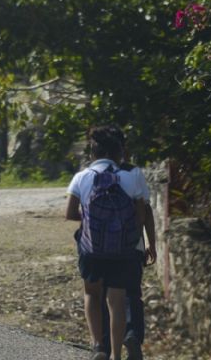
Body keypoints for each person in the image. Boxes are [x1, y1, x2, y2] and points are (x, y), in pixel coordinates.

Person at [66, 125, 148, 360]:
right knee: (117, 299)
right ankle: (116, 354)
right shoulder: (131, 177)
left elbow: (69, 213)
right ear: (119, 153)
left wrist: (91, 218)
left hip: (92, 248)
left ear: (93, 153)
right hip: (123, 248)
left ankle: (97, 347)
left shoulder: (82, 177)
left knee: (92, 293)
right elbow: (141, 215)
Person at [98, 127, 157, 360]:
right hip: (131, 244)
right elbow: (147, 211)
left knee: (103, 295)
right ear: (123, 148)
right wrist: (151, 243)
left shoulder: (92, 172)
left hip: (100, 246)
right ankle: (132, 335)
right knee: (132, 293)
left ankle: (102, 346)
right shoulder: (134, 173)